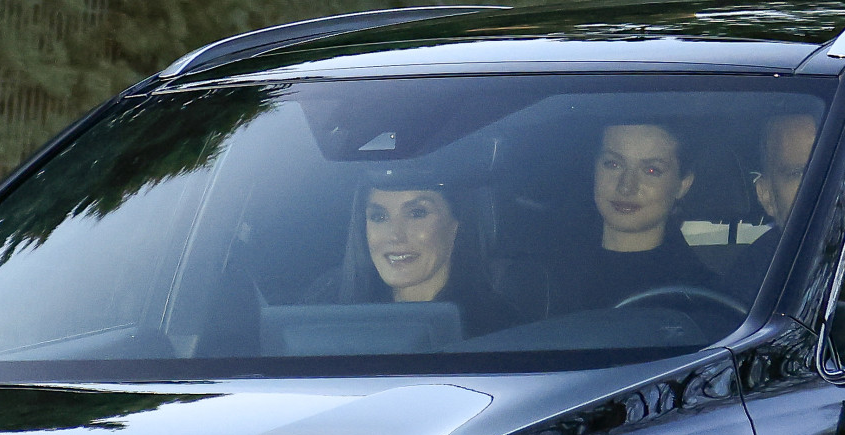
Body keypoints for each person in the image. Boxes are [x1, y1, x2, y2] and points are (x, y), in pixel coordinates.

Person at [304, 174, 519, 338]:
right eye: (379, 217)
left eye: (417, 213)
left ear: (455, 226)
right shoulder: (325, 308)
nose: (395, 236)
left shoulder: (498, 332)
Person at [550, 123, 715, 312]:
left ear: (683, 185)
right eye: (613, 164)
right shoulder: (543, 273)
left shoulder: (701, 295)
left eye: (651, 170)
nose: (626, 186)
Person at [723, 113, 819, 302]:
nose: (823, 184)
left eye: (843, 170)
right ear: (766, 195)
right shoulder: (751, 286)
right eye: (798, 173)